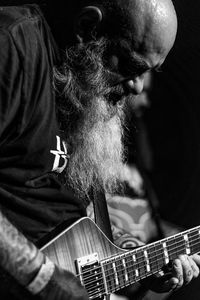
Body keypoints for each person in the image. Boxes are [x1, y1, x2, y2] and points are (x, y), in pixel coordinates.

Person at [0, 0, 199, 299]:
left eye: (150, 72)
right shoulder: (13, 46)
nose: (138, 88)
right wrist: (43, 278)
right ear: (87, 28)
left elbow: (74, 216)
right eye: (133, 65)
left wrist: (139, 259)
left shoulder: (82, 90)